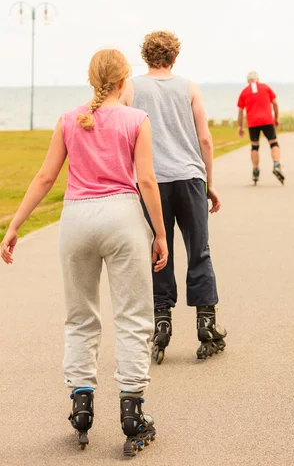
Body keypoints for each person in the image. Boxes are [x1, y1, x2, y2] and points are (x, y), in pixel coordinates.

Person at [0, 49, 168, 458]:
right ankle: (132, 411)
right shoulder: (136, 120)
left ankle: (81, 404)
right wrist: (160, 233)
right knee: (132, 315)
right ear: (124, 81)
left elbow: (45, 176)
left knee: (80, 316)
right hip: (122, 217)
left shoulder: (69, 119)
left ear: (93, 81)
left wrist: (15, 224)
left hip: (76, 219)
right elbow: (145, 178)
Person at [120, 31, 227, 364]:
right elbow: (205, 139)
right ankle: (206, 324)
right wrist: (208, 181)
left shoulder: (130, 88)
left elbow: (121, 130)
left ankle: (162, 321)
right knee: (200, 250)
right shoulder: (189, 87)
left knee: (157, 251)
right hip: (191, 178)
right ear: (175, 57)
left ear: (145, 56)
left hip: (153, 182)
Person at [237, 71, 284, 185]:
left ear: (248, 81)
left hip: (253, 122)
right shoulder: (265, 88)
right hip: (267, 120)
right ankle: (276, 164)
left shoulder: (244, 92)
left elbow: (240, 111)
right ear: (258, 79)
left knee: (254, 146)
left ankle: (255, 170)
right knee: (273, 143)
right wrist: (276, 118)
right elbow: (275, 104)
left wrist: (240, 126)